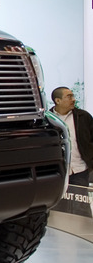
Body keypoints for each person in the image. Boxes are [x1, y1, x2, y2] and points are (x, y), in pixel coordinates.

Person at [50, 87, 93, 215]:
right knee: (59, 207)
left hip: (80, 169)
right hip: (58, 172)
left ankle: (85, 232)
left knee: (81, 207)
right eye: (69, 97)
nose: (73, 99)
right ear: (58, 100)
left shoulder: (83, 117)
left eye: (73, 96)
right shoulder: (48, 119)